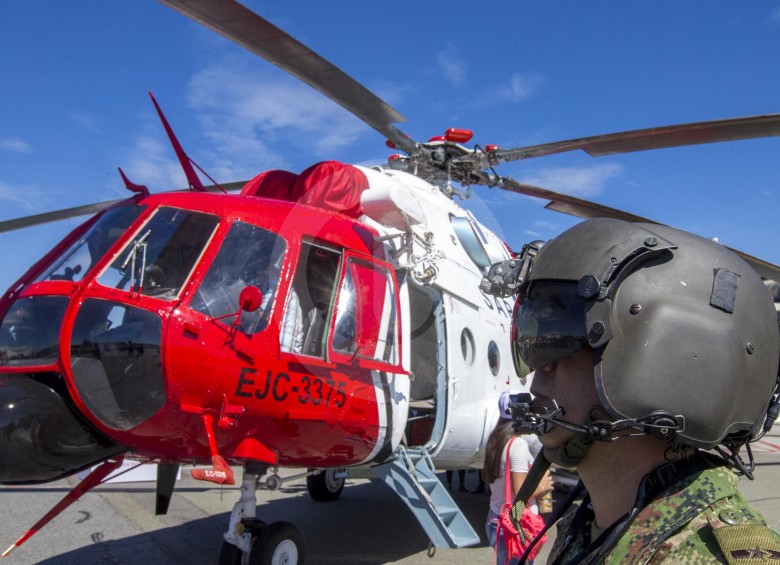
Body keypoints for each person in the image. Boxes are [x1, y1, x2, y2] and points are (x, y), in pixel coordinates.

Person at [485, 218, 780, 563]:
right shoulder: (587, 525)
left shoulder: (715, 556)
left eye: (557, 337)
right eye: (533, 340)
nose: (540, 369)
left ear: (667, 361)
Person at [483, 390, 554, 564]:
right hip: (515, 526)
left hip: (496, 519)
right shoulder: (518, 445)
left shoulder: (495, 440)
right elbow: (520, 496)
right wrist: (543, 485)